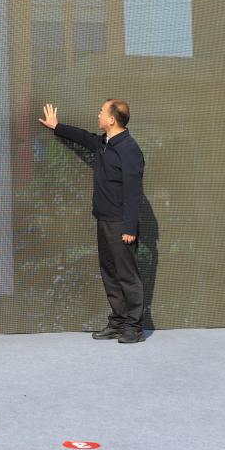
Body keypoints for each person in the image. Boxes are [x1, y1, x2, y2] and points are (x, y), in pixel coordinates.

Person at [38, 100, 147, 344]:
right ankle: (118, 322)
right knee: (110, 273)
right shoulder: (104, 143)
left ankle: (134, 327)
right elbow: (83, 137)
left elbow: (134, 192)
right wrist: (57, 127)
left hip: (121, 224)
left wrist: (130, 227)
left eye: (101, 111)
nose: (98, 114)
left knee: (127, 276)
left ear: (112, 119)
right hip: (104, 220)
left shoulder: (129, 149)